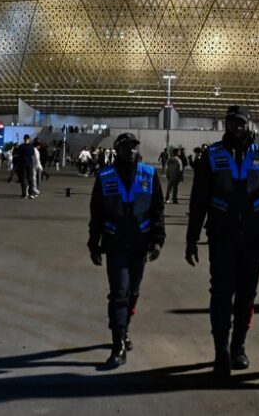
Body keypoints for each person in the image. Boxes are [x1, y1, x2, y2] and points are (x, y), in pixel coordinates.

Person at [185, 105, 259, 378]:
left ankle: (238, 345)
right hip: (221, 235)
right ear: (226, 124)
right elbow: (199, 199)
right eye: (233, 123)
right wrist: (191, 238)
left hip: (253, 236)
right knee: (220, 294)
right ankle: (221, 351)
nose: (237, 127)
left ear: (248, 125)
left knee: (247, 294)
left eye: (242, 123)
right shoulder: (211, 155)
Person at [88, 133, 166, 367]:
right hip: (115, 243)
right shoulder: (104, 176)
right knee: (119, 292)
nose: (131, 151)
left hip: (141, 244)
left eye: (134, 147)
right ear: (117, 150)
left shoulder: (149, 175)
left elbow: (157, 210)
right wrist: (94, 243)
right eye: (126, 147)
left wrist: (158, 239)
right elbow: (97, 213)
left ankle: (125, 330)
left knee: (133, 291)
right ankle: (117, 344)